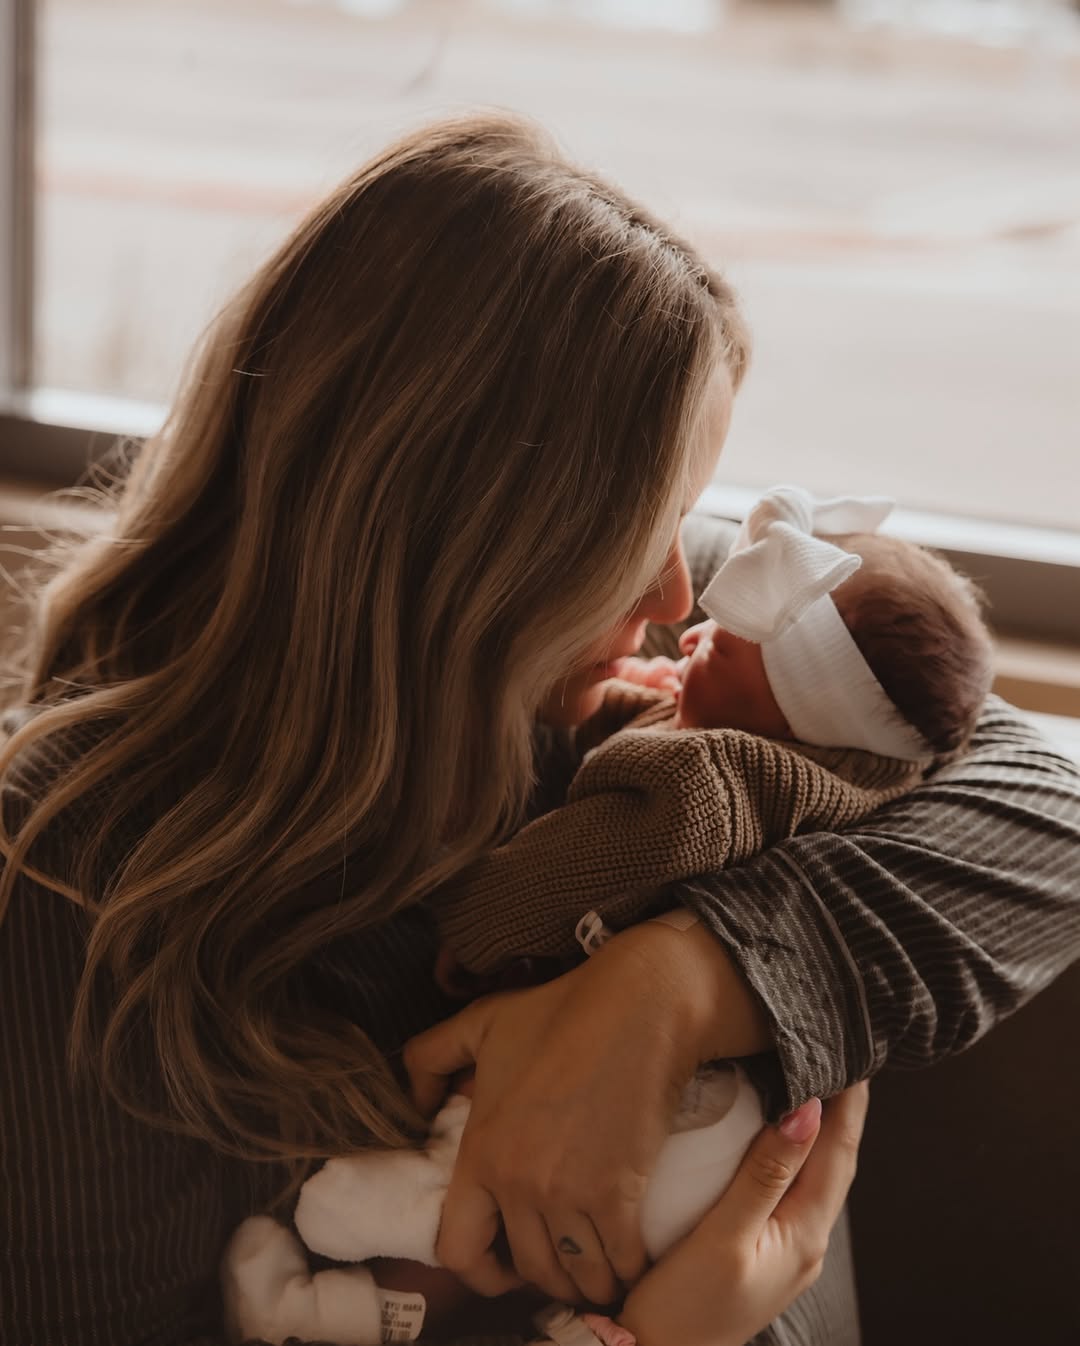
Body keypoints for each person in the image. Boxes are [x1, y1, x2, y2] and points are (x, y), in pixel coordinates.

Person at [0, 110, 1075, 1346]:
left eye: (688, 515)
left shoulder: (616, 677)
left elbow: (1044, 806)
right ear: (469, 549)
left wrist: (679, 983)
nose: (680, 594)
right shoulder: (76, 881)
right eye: (645, 526)